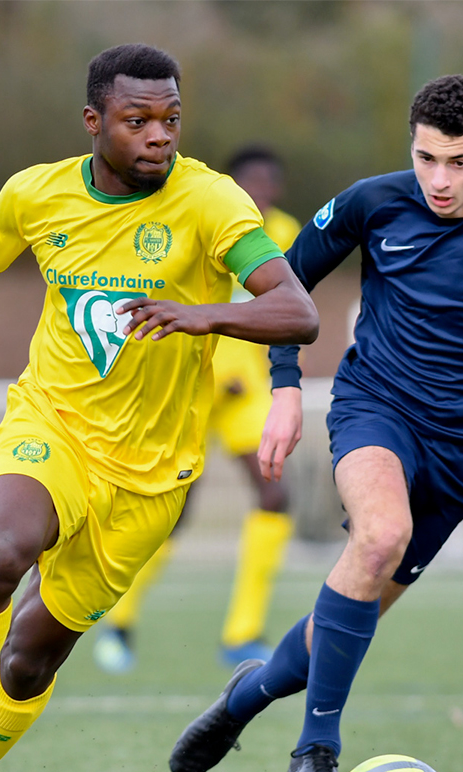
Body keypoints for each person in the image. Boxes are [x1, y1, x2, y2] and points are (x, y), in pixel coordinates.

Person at [0, 44, 319, 772]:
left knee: (33, 652)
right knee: (0, 553)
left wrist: (202, 314)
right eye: (138, 120)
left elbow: (297, 310)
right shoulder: (35, 193)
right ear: (94, 122)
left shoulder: (212, 201)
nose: (158, 136)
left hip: (152, 473)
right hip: (53, 422)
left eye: (171, 119)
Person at [169, 74, 463, 772]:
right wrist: (284, 388)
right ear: (409, 148)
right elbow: (284, 294)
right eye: (426, 159)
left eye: (459, 163)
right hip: (374, 408)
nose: (439, 180)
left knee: (343, 619)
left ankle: (246, 696)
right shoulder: (371, 203)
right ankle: (317, 748)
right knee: (380, 534)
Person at [93, 145, 305, 673]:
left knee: (275, 494)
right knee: (172, 515)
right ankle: (118, 623)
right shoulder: (202, 215)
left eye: (267, 182)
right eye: (247, 182)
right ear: (230, 186)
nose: (257, 192)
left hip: (245, 392)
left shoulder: (286, 233)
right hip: (186, 382)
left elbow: (285, 308)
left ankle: (243, 633)